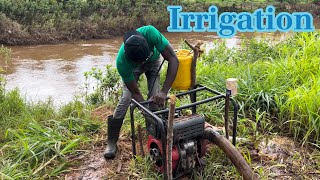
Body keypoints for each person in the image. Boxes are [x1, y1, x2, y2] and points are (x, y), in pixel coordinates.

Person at [104, 25, 179, 159]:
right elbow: (136, 93)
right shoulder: (122, 62)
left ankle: (157, 132)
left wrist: (163, 92)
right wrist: (144, 109)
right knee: (126, 99)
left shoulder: (150, 33)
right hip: (133, 71)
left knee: (155, 99)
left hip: (154, 63)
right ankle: (111, 141)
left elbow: (173, 58)